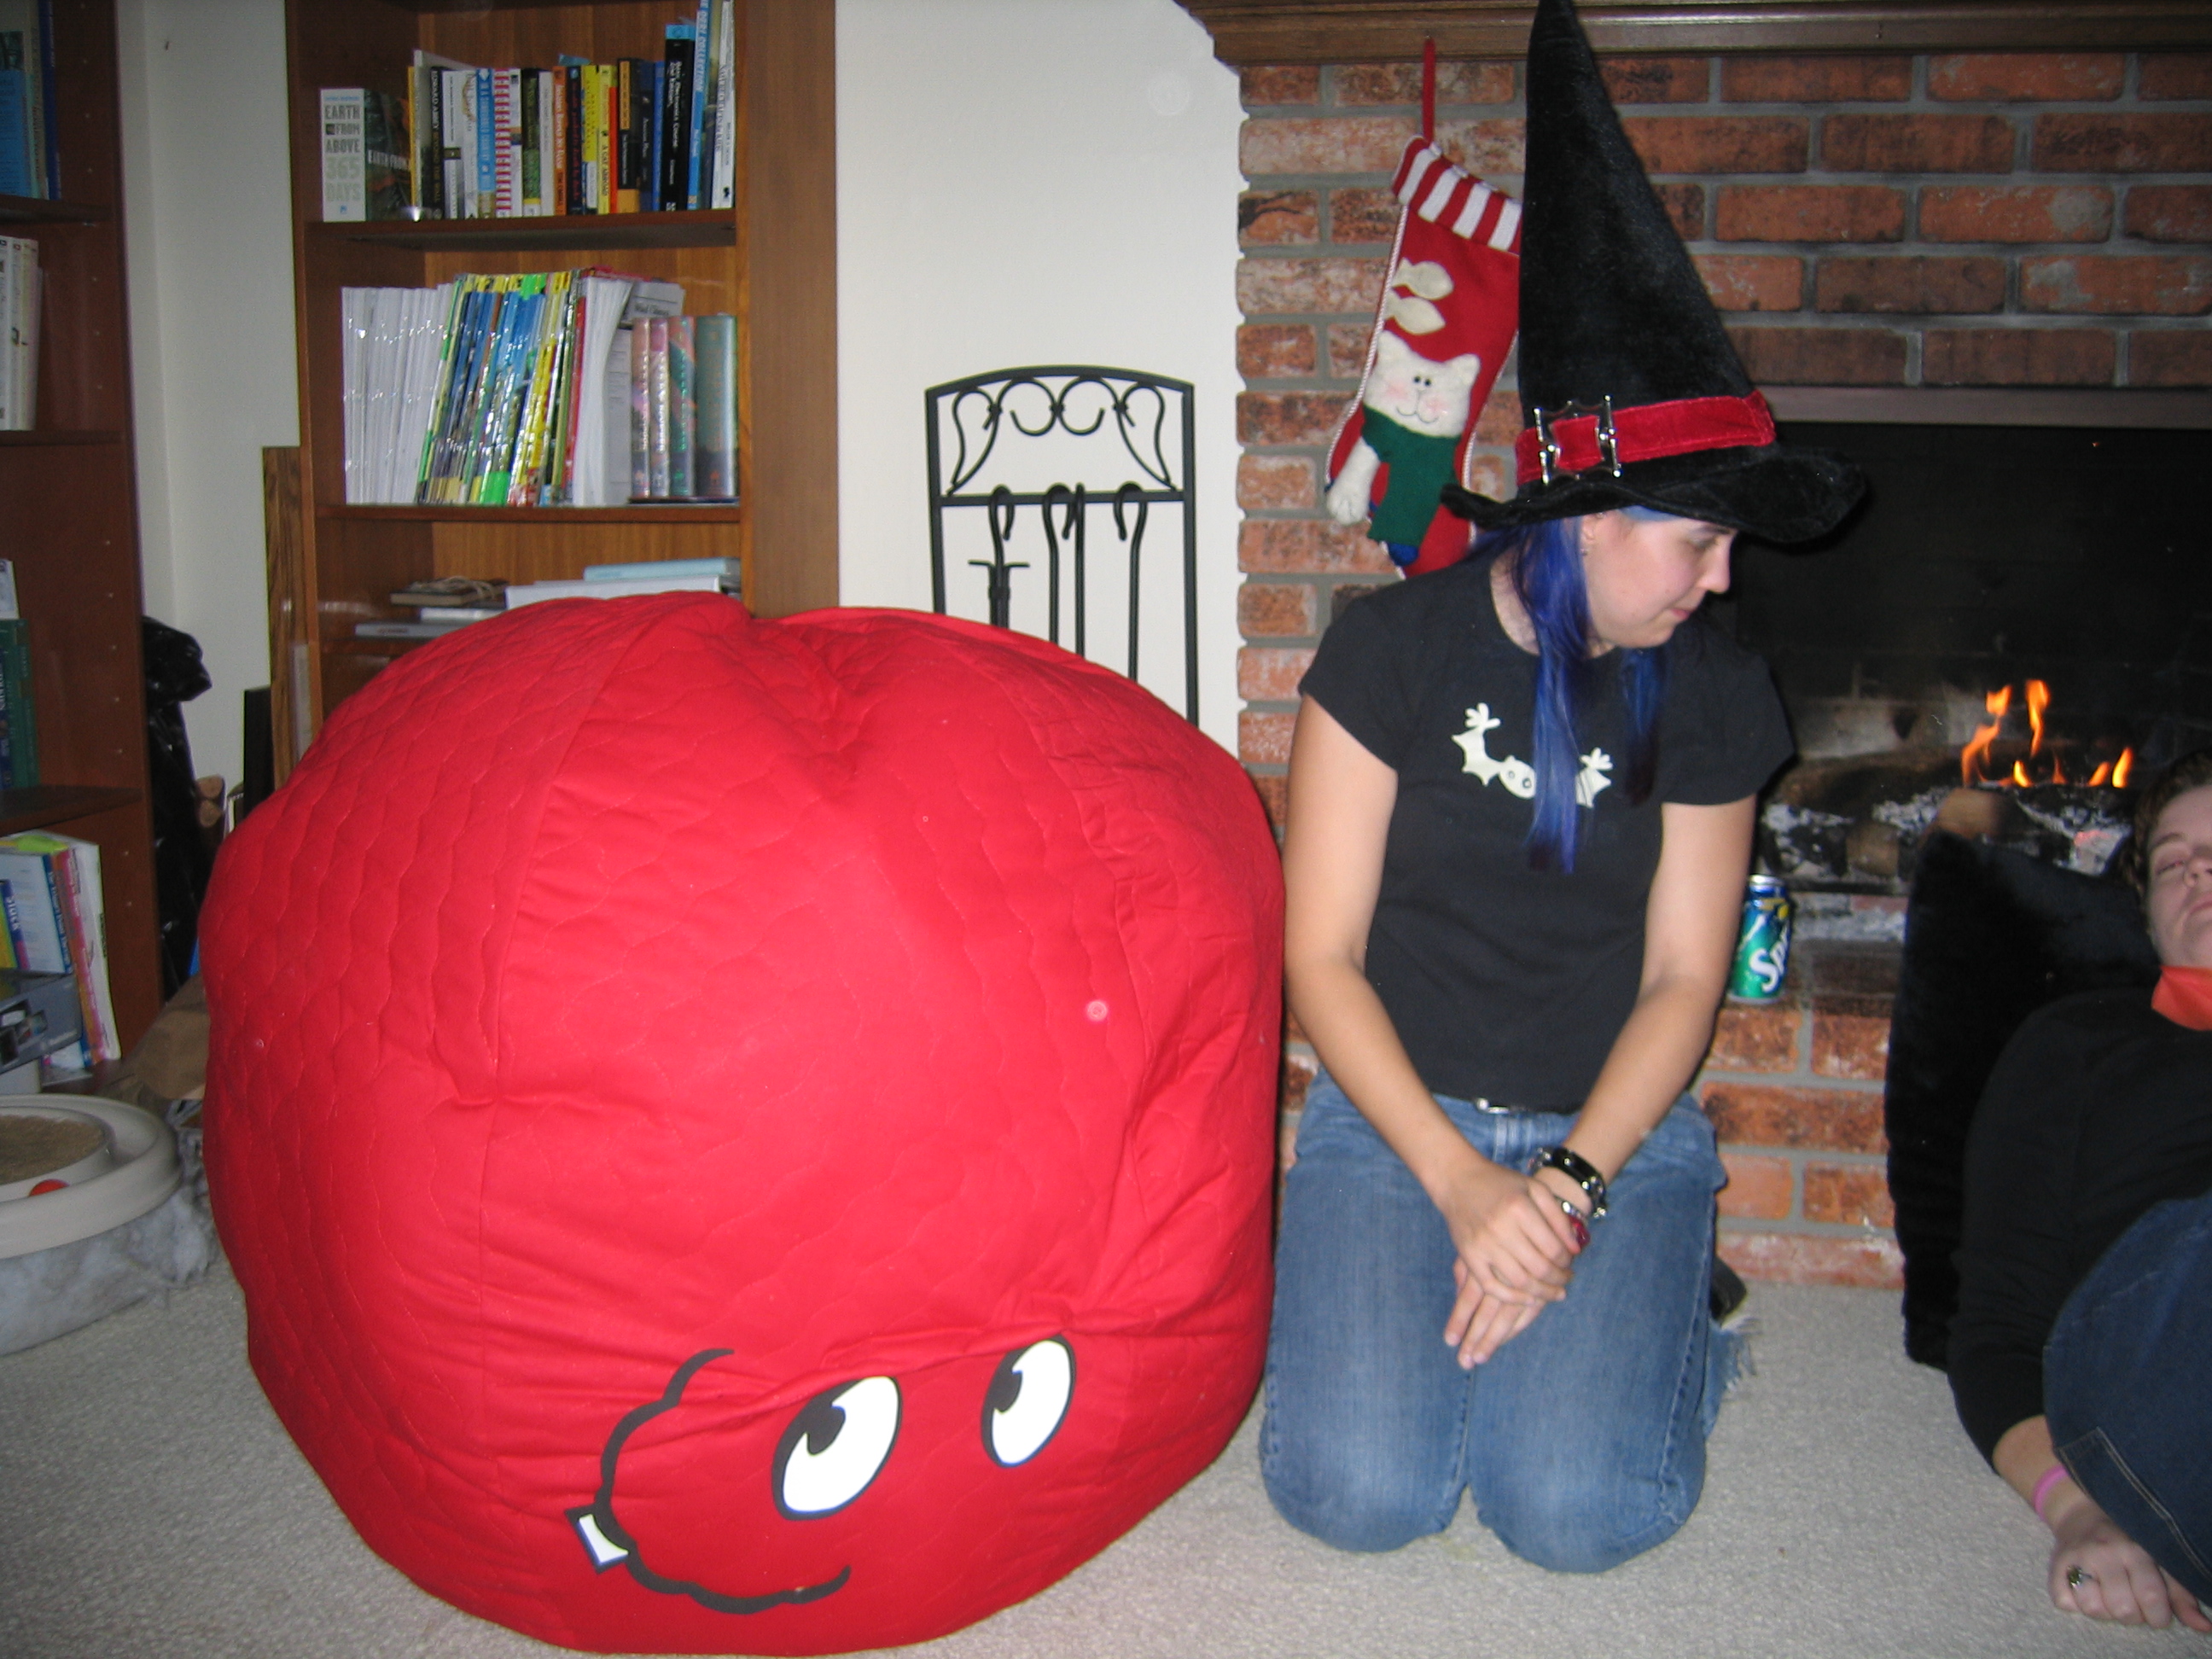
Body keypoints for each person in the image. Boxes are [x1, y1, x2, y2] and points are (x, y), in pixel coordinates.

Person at [1258, 0, 1863, 1572]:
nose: (1722, 583)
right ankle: (1556, 1308)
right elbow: (1318, 956)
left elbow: (1682, 977)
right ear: (1588, 514)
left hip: (1618, 1132)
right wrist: (1464, 1185)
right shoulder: (1388, 651)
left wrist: (1569, 1189)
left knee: (1573, 1515)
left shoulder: (1712, 689)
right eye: (1699, 542)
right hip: (1396, 1121)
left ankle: (1683, 1319)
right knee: (1359, 1492)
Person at [1948, 751, 2212, 1632]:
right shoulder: (2080, 1041)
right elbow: (1996, 1324)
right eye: (2172, 862)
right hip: (2159, 1339)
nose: (2197, 872)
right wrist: (2079, 1510)